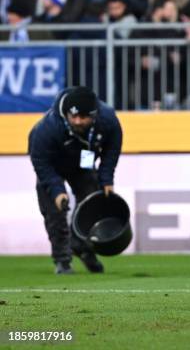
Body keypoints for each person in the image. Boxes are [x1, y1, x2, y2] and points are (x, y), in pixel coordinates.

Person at [28, 87, 123, 274]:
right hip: (51, 167)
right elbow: (40, 161)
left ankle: (83, 248)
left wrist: (106, 179)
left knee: (93, 204)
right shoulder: (47, 129)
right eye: (74, 116)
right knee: (55, 212)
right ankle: (62, 260)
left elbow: (112, 148)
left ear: (94, 115)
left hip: (82, 165)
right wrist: (56, 190)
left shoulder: (108, 120)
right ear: (67, 113)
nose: (78, 121)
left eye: (83, 117)